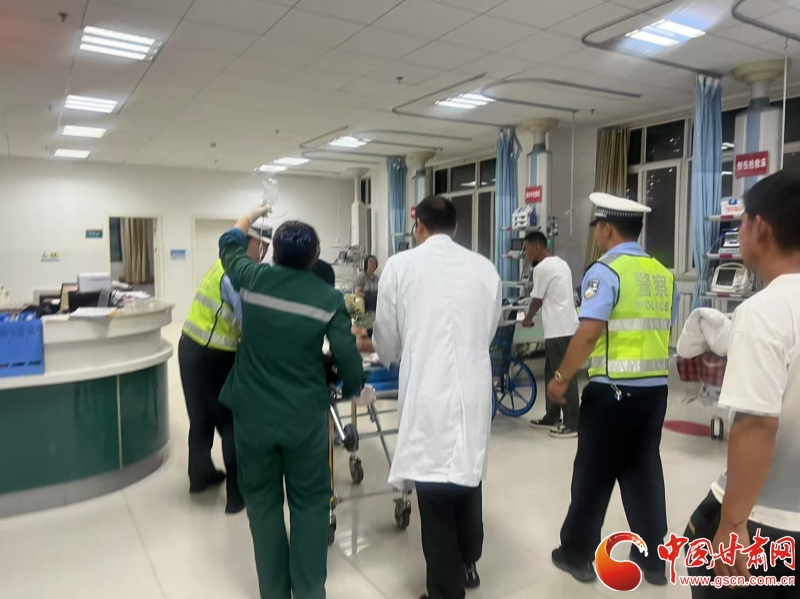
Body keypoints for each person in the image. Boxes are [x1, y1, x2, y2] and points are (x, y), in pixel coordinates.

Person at [218, 209, 364, 599]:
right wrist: (353, 386)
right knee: (311, 505)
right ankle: (310, 592)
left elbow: (228, 246)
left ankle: (275, 593)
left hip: (253, 415)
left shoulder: (252, 278)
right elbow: (347, 356)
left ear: (273, 253)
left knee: (263, 507)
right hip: (304, 417)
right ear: (315, 256)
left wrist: (247, 217)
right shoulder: (328, 298)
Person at [373, 196, 502, 599]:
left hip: (429, 392)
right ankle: (468, 563)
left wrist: (388, 354)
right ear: (456, 228)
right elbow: (489, 328)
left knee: (436, 496)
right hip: (473, 390)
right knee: (467, 478)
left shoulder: (401, 266)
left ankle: (446, 590)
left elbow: (387, 336)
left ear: (419, 227)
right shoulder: (485, 268)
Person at [547, 193, 679, 585]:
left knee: (593, 474)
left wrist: (561, 378)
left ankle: (576, 554)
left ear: (606, 229)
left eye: (597, 228)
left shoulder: (605, 272)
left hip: (612, 392)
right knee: (644, 472)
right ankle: (653, 561)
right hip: (654, 392)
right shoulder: (662, 273)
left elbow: (588, 334)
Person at [684, 171, 800, 598]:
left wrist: (733, 523)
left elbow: (756, 424)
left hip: (766, 522)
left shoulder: (766, 309)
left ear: (761, 227)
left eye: (743, 221)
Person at [177, 220, 271, 514]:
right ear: (248, 243)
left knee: (200, 418)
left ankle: (199, 477)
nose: (264, 253)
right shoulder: (238, 276)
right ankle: (236, 495)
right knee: (232, 422)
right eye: (262, 246)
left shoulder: (219, 265)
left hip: (189, 347)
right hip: (216, 356)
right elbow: (247, 325)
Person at [521, 231, 581, 438]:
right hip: (564, 326)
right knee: (551, 373)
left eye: (526, 249)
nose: (525, 254)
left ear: (537, 248)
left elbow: (537, 299)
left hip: (559, 330)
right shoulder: (561, 263)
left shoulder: (542, 268)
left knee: (563, 376)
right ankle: (552, 415)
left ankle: (572, 422)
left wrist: (528, 319)